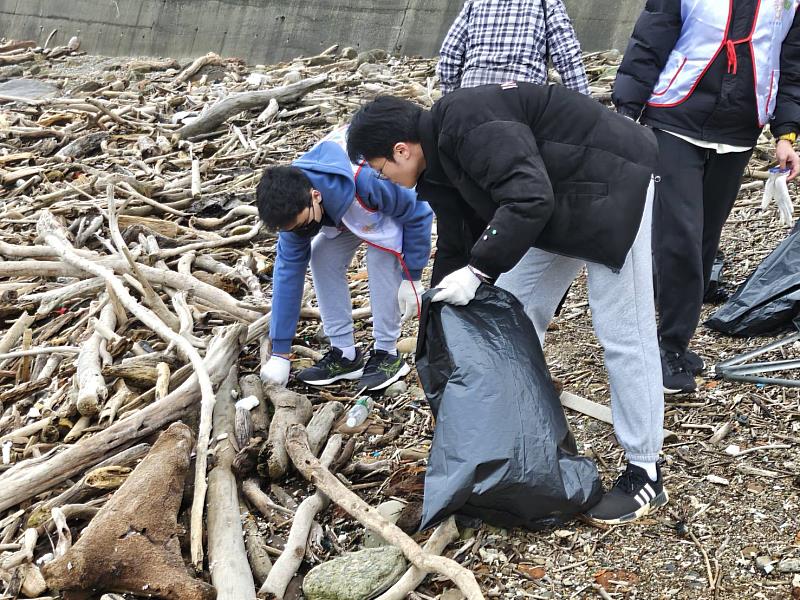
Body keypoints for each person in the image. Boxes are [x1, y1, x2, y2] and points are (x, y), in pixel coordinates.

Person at [346, 84, 666, 525]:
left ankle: (645, 470)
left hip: (613, 180)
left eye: (380, 172)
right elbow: (461, 240)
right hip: (554, 197)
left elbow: (529, 199)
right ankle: (512, 445)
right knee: (506, 310)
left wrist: (479, 272)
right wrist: (434, 309)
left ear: (401, 150)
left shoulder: (465, 122)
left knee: (622, 331)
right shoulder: (436, 167)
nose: (385, 182)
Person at [613, 0, 800, 394]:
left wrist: (786, 134)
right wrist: (626, 111)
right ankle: (667, 346)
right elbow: (650, 41)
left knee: (702, 242)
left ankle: (667, 337)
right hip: (673, 119)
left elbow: (792, 65)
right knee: (678, 238)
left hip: (738, 131)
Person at [257, 125, 433, 391]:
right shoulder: (293, 212)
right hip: (340, 216)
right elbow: (287, 275)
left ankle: (387, 352)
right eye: (293, 230)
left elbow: (418, 212)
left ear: (314, 196)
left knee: (380, 256)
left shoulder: (368, 179)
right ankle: (345, 354)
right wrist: (280, 352)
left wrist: (414, 276)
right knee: (321, 256)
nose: (300, 232)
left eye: (303, 224)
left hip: (376, 207)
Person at [437, 0, 589, 96]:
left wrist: (454, 99)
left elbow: (449, 56)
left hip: (471, 100)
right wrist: (587, 108)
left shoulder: (474, 4)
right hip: (522, 103)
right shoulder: (548, 4)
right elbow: (568, 59)